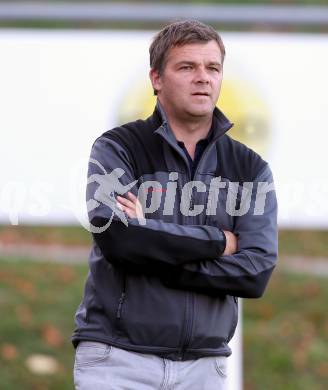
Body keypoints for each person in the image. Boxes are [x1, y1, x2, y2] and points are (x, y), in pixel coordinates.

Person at [72, 19, 278, 390]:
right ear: (157, 79)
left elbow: (256, 270)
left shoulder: (250, 167)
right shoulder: (118, 148)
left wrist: (158, 254)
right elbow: (118, 238)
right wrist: (219, 242)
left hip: (204, 367)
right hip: (117, 360)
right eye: (187, 67)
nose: (203, 77)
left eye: (212, 68)